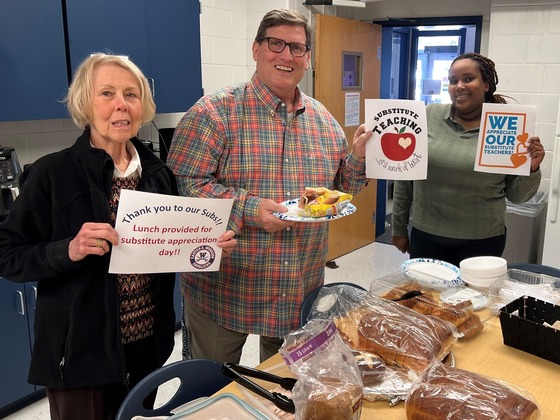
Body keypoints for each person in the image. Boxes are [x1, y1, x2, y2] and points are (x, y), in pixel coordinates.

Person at [0, 53, 236, 420]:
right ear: (84, 103)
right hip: (79, 355)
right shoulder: (51, 174)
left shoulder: (159, 174)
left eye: (131, 94)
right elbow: (7, 254)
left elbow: (164, 248)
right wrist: (67, 250)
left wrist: (202, 243)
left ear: (143, 105)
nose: (121, 104)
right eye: (106, 93)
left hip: (145, 346)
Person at [166, 9, 373, 364]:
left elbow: (342, 190)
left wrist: (358, 157)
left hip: (298, 287)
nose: (286, 55)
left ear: (307, 58)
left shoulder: (324, 121)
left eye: (297, 47)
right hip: (226, 288)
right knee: (211, 390)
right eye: (275, 44)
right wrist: (249, 209)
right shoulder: (213, 113)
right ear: (256, 49)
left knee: (284, 390)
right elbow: (183, 185)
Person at [391, 53, 545, 267]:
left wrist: (531, 169)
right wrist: (398, 227)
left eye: (468, 79)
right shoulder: (428, 116)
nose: (459, 86)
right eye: (453, 81)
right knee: (425, 300)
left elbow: (517, 196)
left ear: (487, 85)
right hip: (426, 235)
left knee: (472, 301)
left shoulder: (507, 126)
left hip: (482, 241)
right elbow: (405, 176)